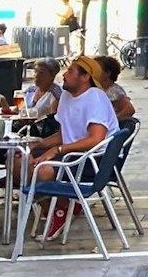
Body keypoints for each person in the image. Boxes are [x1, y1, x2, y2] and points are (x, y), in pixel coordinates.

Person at [11, 55, 114, 242]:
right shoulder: (66, 97)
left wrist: (57, 150)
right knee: (18, 159)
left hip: (92, 159)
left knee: (42, 170)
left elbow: (95, 139)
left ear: (85, 77)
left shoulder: (94, 98)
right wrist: (39, 144)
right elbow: (64, 132)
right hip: (70, 153)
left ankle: (59, 210)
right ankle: (57, 205)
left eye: (71, 71)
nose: (64, 74)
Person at [92, 55, 136, 121]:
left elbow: (129, 109)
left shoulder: (114, 91)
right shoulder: (95, 88)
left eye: (97, 69)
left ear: (107, 73)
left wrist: (112, 121)